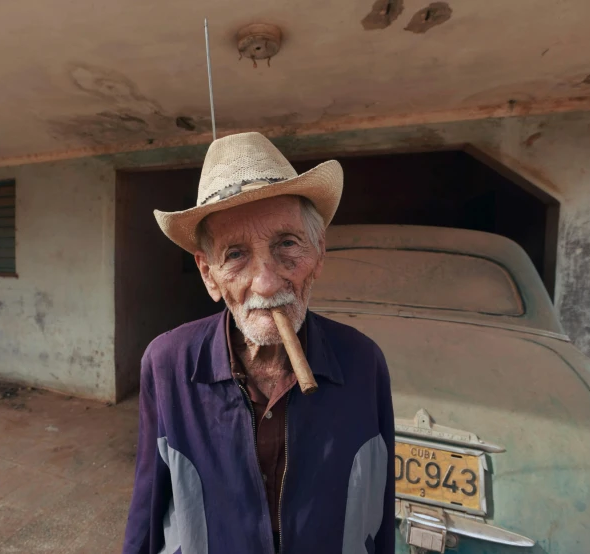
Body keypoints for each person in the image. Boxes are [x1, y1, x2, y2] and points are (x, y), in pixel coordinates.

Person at [122, 132, 395, 554]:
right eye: (234, 255)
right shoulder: (168, 363)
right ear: (208, 274)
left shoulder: (363, 363)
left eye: (287, 244)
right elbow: (148, 509)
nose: (266, 284)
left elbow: (379, 515)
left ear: (319, 252)